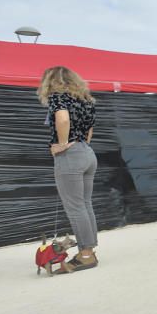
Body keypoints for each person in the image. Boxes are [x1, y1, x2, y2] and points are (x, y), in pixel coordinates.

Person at [37, 67, 100, 273]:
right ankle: (89, 250)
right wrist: (80, 143)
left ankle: (85, 255)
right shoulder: (86, 99)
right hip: (87, 153)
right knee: (85, 204)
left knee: (75, 208)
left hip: (71, 155)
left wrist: (62, 144)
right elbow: (89, 129)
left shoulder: (58, 97)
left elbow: (62, 119)